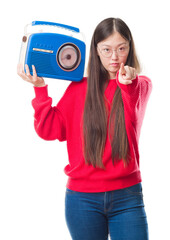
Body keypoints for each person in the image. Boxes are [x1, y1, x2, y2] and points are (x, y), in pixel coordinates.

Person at [17, 17, 152, 240]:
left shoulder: (140, 85)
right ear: (96, 51)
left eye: (121, 48)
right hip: (82, 200)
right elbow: (50, 130)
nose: (115, 57)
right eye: (106, 49)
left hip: (127, 198)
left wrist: (129, 82)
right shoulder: (79, 87)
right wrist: (40, 89)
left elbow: (132, 103)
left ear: (130, 47)